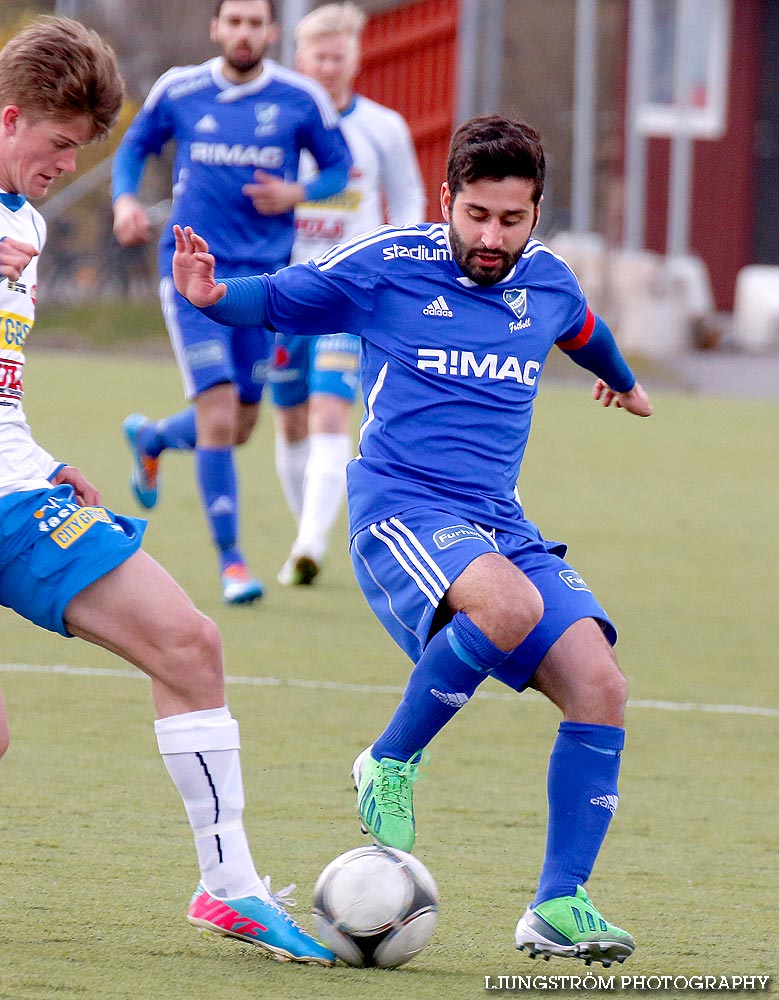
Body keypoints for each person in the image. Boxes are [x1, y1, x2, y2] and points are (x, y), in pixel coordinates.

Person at [0, 16, 335, 966]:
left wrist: (43, 460)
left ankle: (229, 888)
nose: (65, 166)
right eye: (57, 146)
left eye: (80, 150)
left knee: (190, 643)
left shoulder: (30, 223)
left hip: (13, 491)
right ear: (10, 118)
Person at [172, 114, 652, 968]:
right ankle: (386, 762)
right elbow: (286, 295)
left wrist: (621, 380)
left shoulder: (546, 282)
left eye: (510, 219)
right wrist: (213, 296)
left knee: (600, 684)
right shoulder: (389, 265)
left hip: (498, 519)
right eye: (475, 215)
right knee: (507, 602)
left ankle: (556, 905)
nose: (490, 237)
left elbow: (583, 331)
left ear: (536, 212)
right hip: (401, 505)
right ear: (446, 202)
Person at [111, 0, 352, 605]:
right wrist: (125, 201)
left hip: (265, 284)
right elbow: (133, 148)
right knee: (219, 411)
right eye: (234, 21)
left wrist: (299, 189)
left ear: (272, 31)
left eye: (256, 22)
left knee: (241, 424)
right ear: (216, 27)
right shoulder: (180, 90)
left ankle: (155, 438)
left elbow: (339, 168)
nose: (244, 33)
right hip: (193, 273)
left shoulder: (300, 99)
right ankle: (233, 564)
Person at [271, 2, 425, 588]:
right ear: (300, 59)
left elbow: (408, 201)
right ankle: (303, 537)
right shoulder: (280, 122)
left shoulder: (382, 127)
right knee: (289, 424)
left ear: (355, 59)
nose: (331, 66)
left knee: (331, 410)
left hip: (349, 292)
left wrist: (397, 267)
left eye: (340, 56)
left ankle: (311, 543)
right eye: (320, 56)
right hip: (284, 291)